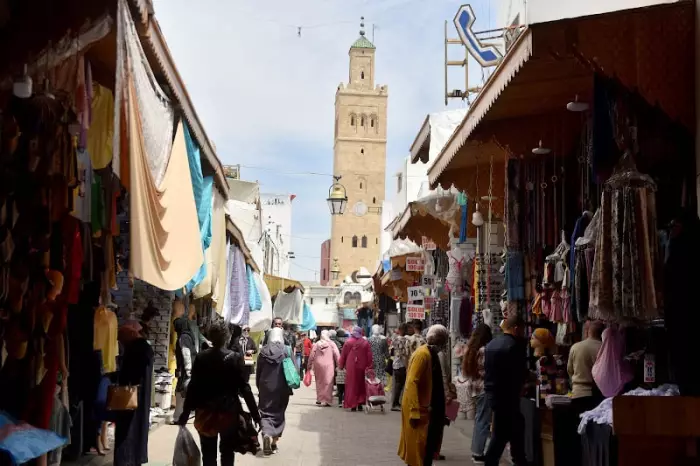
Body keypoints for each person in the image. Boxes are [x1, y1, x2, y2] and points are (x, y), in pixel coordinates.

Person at [177, 320, 261, 466]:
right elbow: (245, 388)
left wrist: (185, 413)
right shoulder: (234, 358)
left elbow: (193, 387)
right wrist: (256, 415)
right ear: (227, 337)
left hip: (205, 413)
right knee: (227, 453)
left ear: (210, 336)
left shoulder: (201, 357)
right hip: (228, 414)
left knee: (208, 455)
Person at [397, 325, 448, 466]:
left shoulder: (431, 354)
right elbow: (411, 383)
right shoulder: (423, 355)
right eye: (444, 341)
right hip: (419, 411)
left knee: (426, 449)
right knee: (419, 451)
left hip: (428, 410)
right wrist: (414, 411)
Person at [483, 313, 528, 466]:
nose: (523, 333)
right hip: (507, 395)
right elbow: (518, 372)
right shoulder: (514, 346)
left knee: (515, 427)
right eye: (522, 329)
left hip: (494, 393)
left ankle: (519, 459)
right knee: (502, 433)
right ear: (516, 328)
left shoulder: (491, 344)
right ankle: (491, 461)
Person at [113, 321, 154, 466]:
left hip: (130, 397)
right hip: (139, 397)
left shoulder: (136, 349)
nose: (120, 340)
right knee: (136, 431)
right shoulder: (145, 348)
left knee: (126, 431)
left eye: (122, 336)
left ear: (131, 333)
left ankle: (126, 460)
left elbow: (131, 373)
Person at [256, 327, 291, 456]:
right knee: (278, 413)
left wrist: (259, 387)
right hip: (281, 389)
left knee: (265, 413)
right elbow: (293, 370)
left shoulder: (263, 352)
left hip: (265, 388)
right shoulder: (287, 351)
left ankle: (266, 433)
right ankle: (274, 442)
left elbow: (258, 372)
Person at [462, 323, 493, 462]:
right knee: (483, 420)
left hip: (475, 388)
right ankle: (478, 453)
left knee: (479, 419)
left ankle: (476, 450)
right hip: (483, 388)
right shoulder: (484, 350)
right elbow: (486, 370)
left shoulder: (471, 349)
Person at [568, 320, 604, 413]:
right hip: (599, 394)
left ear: (588, 331)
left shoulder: (575, 347)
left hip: (578, 393)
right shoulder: (604, 348)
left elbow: (570, 370)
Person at [338, 326, 373, 411]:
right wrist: (370, 366)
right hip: (362, 366)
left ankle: (353, 405)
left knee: (351, 385)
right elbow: (369, 356)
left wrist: (341, 366)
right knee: (361, 384)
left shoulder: (348, 342)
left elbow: (343, 355)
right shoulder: (365, 342)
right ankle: (360, 403)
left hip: (351, 366)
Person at [172, 316, 197, 422]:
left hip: (185, 369)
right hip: (188, 368)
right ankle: (181, 415)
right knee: (183, 391)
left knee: (181, 391)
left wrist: (188, 370)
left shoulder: (183, 337)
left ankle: (178, 416)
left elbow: (186, 353)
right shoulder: (188, 335)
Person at [308, 330, 340, 407]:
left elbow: (312, 355)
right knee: (328, 382)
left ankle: (319, 399)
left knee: (319, 382)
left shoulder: (316, 344)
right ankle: (327, 400)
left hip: (318, 365)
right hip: (329, 364)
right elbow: (337, 354)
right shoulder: (332, 344)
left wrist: (309, 365)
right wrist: (339, 365)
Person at [391, 324, 410, 411]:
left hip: (396, 364)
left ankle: (396, 402)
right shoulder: (404, 340)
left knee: (398, 384)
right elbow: (403, 354)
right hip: (401, 365)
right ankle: (395, 403)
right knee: (400, 385)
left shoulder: (395, 339)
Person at [331, 329, 348, 407]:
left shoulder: (335, 341)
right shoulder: (347, 342)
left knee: (339, 384)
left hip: (339, 364)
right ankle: (344, 400)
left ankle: (340, 401)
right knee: (345, 386)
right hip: (346, 366)